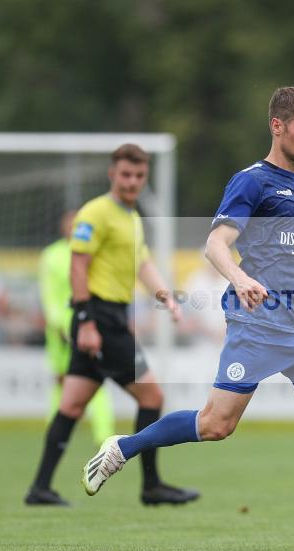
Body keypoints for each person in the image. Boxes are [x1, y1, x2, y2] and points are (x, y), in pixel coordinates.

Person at [80, 87, 294, 551]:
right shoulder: (251, 182)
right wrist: (240, 276)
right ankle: (123, 448)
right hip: (259, 325)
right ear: (277, 126)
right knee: (215, 425)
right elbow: (216, 244)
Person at [25, 143, 199, 507]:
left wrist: (165, 295)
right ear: (112, 174)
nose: (132, 181)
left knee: (71, 405)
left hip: (111, 319)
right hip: (101, 319)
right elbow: (78, 266)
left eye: (138, 176)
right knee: (152, 396)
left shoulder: (131, 218)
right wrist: (86, 321)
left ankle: (40, 488)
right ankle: (151, 486)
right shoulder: (95, 213)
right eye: (126, 174)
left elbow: (142, 263)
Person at [39, 210, 115, 445]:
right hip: (60, 328)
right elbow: (49, 294)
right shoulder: (52, 255)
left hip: (88, 323)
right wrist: (57, 323)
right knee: (62, 379)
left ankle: (104, 434)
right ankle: (55, 432)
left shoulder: (94, 253)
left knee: (94, 378)